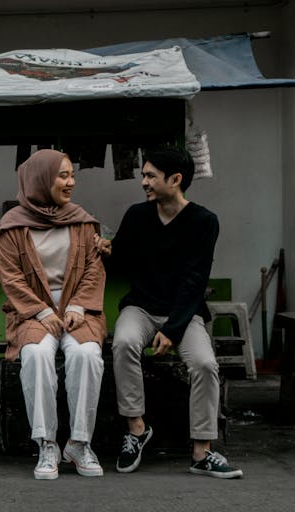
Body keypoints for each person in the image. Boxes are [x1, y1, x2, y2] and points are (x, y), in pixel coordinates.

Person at [97, 147, 243, 478]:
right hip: (141, 307)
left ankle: (202, 451)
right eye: (143, 175)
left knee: (205, 364)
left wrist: (174, 329)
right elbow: (121, 259)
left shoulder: (205, 222)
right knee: (123, 343)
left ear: (175, 180)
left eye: (150, 176)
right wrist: (106, 249)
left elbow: (194, 281)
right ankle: (136, 430)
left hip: (184, 312)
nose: (144, 182)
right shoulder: (137, 215)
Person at [0, 149, 107, 480]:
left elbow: (94, 269)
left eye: (72, 175)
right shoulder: (11, 227)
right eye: (63, 175)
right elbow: (10, 276)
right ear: (41, 179)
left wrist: (76, 307)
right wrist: (40, 311)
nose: (71, 182)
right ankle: (47, 443)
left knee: (87, 354)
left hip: (76, 309)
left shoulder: (81, 220)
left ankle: (80, 442)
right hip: (31, 312)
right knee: (36, 355)